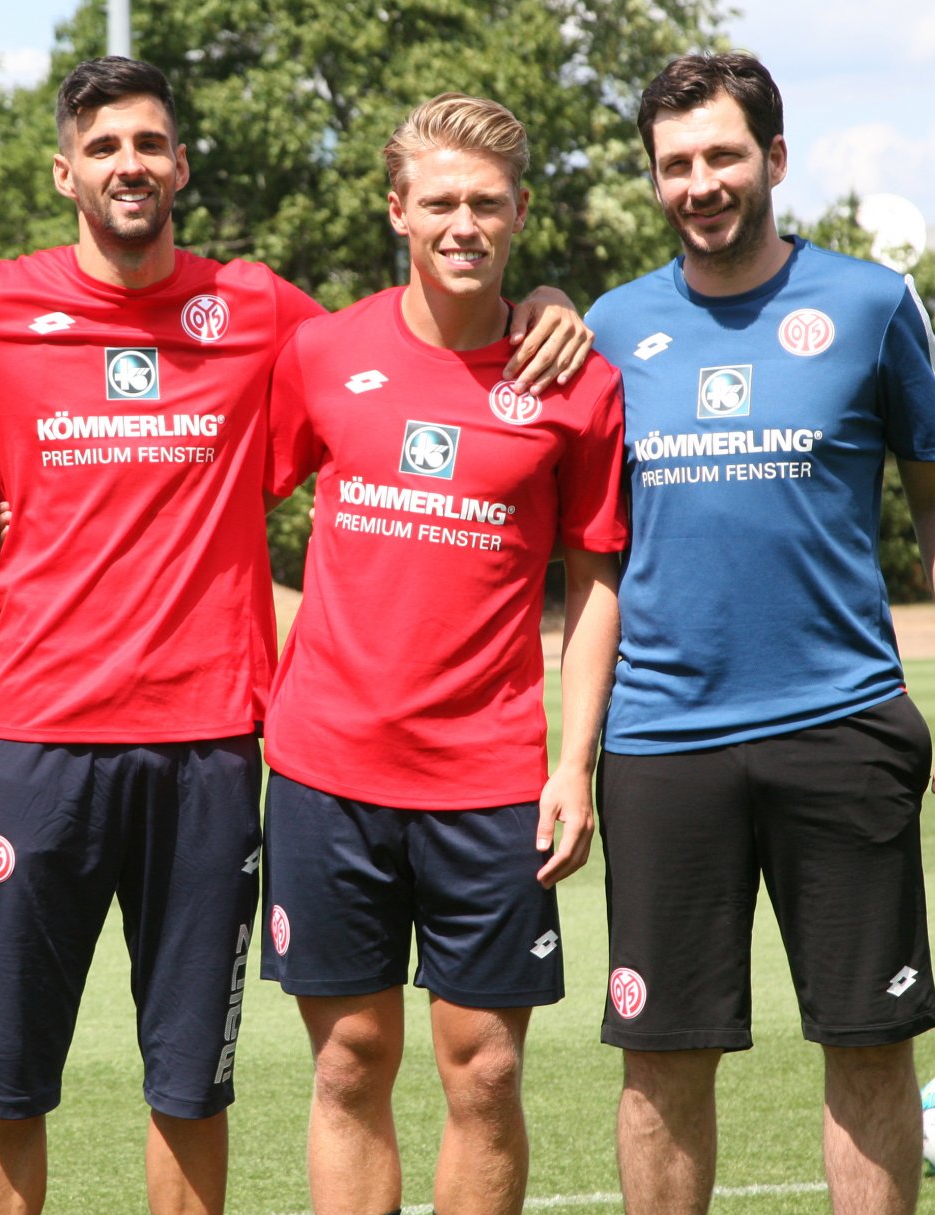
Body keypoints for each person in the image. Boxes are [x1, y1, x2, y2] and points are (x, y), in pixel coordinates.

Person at [0, 57, 594, 1215]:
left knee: (189, 1086)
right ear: (64, 172)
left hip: (210, 747)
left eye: (149, 145)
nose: (129, 165)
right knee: (8, 1080)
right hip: (41, 742)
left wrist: (546, 306)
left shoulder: (259, 311)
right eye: (103, 148)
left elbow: (416, 346)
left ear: (181, 166)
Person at [585, 52, 935, 1215]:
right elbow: (595, 558)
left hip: (842, 727)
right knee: (662, 1055)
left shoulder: (870, 302)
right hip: (664, 743)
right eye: (675, 164)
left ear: (773, 157)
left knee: (869, 1040)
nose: (700, 182)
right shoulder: (614, 327)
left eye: (722, 155)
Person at [259, 94, 624, 1215]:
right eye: (440, 203)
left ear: (519, 215)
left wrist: (575, 765)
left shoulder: (577, 382)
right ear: (398, 214)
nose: (463, 223)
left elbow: (596, 578)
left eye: (486, 203)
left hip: (492, 781)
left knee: (489, 1072)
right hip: (329, 772)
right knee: (348, 1064)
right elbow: (227, 514)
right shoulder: (320, 351)